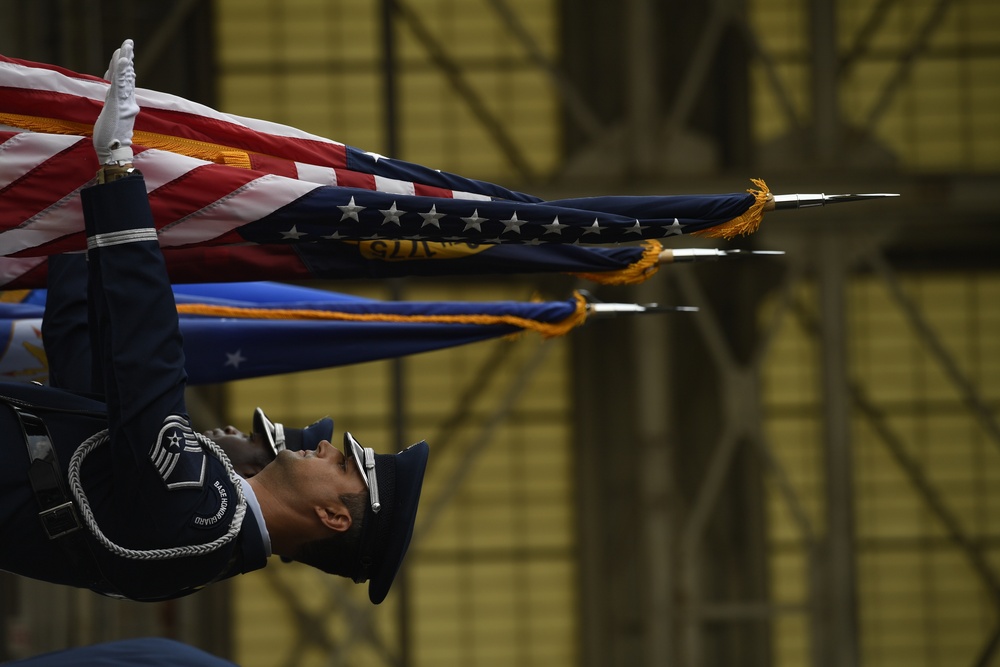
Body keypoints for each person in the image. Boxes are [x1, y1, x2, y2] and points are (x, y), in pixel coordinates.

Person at [0, 39, 428, 605]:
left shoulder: (204, 525)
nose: (328, 449)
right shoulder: (210, 523)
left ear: (332, 517)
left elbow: (146, 368)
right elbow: (90, 368)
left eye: (346, 464)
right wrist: (78, 210)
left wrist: (120, 178)